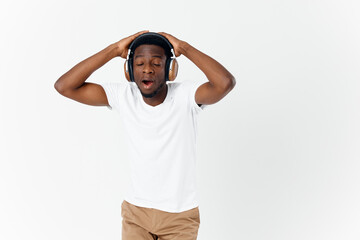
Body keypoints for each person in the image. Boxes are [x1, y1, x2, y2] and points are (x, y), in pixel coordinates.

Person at [54, 30, 236, 240]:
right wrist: (113, 50)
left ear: (170, 69)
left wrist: (184, 47)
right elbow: (64, 86)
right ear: (129, 71)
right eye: (139, 64)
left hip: (179, 218)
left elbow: (225, 83)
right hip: (136, 214)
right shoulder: (123, 96)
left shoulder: (186, 96)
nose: (147, 69)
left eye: (157, 64)